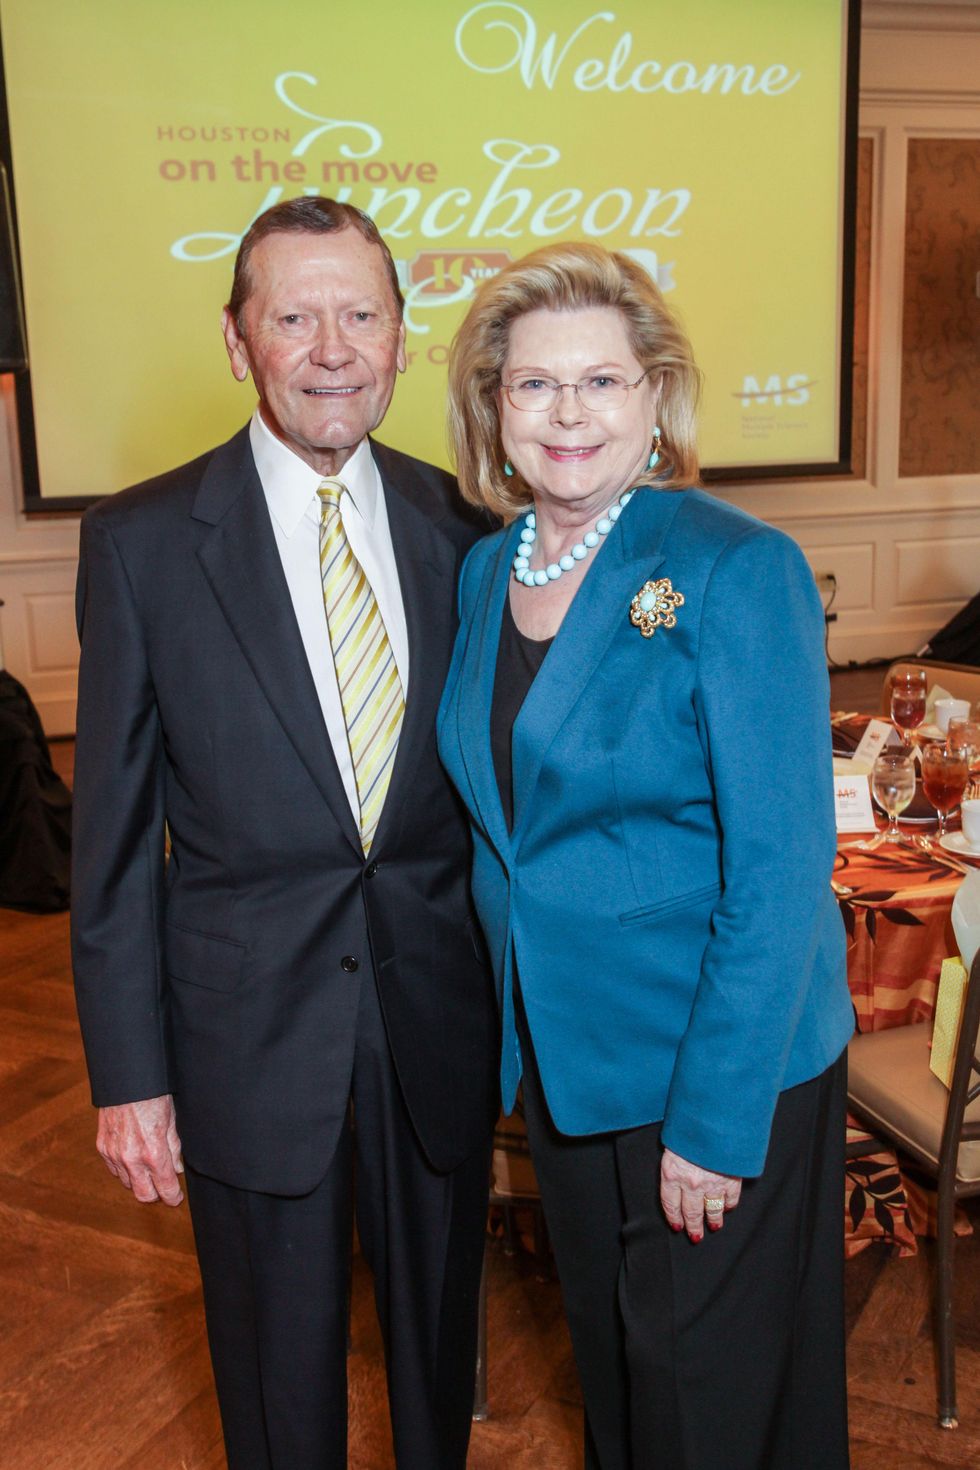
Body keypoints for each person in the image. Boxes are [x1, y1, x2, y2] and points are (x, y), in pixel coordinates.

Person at [70, 196, 498, 1470]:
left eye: (360, 314)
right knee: (273, 1384)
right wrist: (128, 1076)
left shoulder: (464, 531)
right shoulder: (143, 543)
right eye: (294, 315)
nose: (331, 347)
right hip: (245, 1034)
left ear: (401, 339)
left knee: (439, 1358)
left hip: (433, 1023)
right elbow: (108, 846)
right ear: (237, 337)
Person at [437, 241, 854, 1470]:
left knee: (701, 1403)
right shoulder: (482, 571)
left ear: (654, 399)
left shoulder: (732, 568)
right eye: (532, 384)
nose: (567, 413)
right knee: (623, 1378)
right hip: (568, 1066)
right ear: (492, 408)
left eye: (602, 382)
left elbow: (780, 875)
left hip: (710, 1071)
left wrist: (713, 1123)